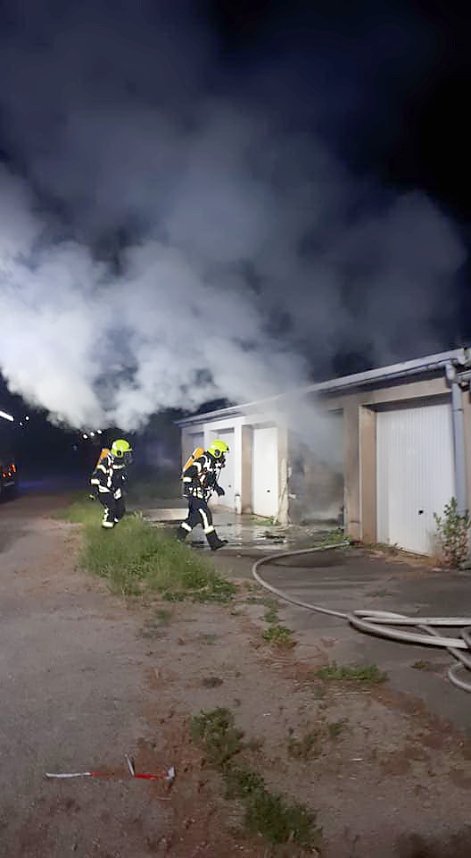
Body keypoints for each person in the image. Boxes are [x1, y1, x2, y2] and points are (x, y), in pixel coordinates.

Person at [176, 439, 229, 550]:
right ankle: (214, 543)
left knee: (194, 518)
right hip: (194, 494)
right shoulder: (204, 460)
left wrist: (217, 488)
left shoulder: (212, 464)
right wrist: (188, 487)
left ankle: (177, 538)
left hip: (200, 495)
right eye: (222, 454)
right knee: (206, 514)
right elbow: (189, 472)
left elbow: (210, 480)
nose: (223, 457)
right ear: (217, 452)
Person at [90, 439, 133, 529]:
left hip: (116, 489)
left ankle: (113, 523)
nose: (128, 456)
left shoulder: (122, 464)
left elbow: (121, 478)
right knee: (111, 508)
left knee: (121, 510)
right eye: (125, 453)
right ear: (118, 453)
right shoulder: (106, 462)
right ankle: (105, 529)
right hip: (104, 490)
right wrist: (94, 491)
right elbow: (96, 475)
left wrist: (123, 486)